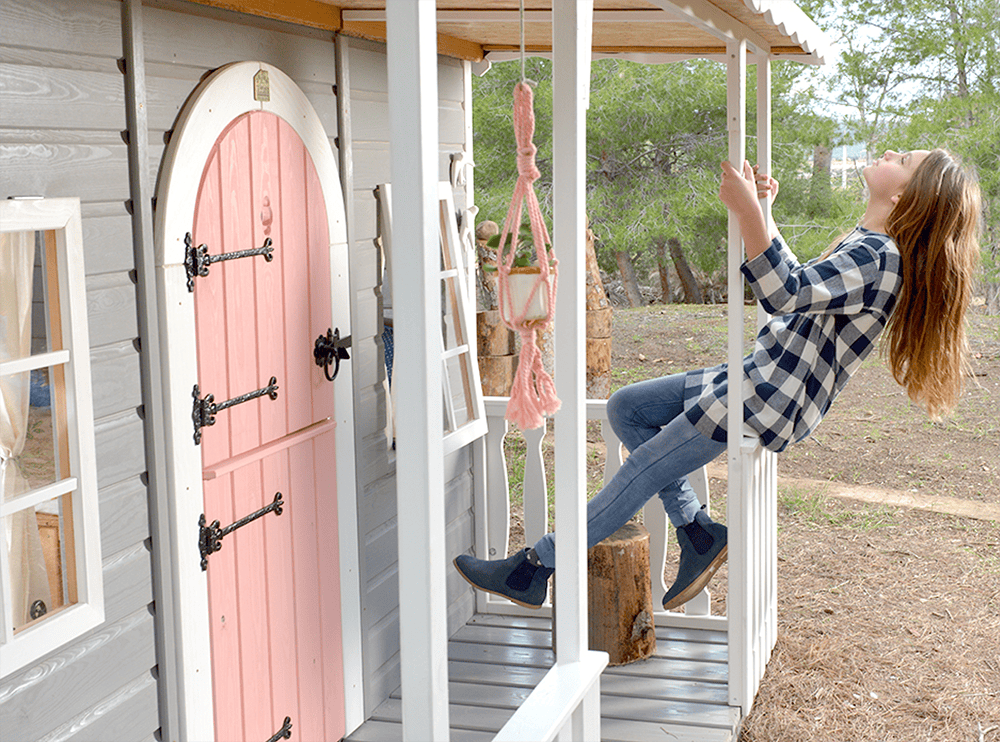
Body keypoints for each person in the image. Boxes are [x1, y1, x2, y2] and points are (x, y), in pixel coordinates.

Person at [455, 148, 981, 611]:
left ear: (906, 197)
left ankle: (533, 568)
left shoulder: (880, 258)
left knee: (640, 470)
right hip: (758, 377)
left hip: (767, 396)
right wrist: (763, 211)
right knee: (627, 408)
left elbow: (782, 291)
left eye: (903, 161)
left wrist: (749, 210)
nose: (890, 153)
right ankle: (698, 532)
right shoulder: (867, 243)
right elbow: (799, 286)